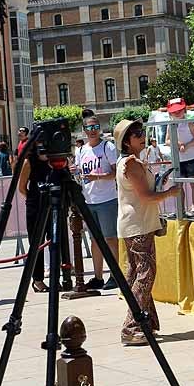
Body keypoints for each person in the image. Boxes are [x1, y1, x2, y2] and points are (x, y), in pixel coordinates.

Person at [113, 119, 181, 346]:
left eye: (141, 132)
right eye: (135, 134)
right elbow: (146, 197)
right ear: (126, 142)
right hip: (138, 225)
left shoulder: (131, 162)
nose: (141, 136)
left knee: (137, 273)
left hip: (135, 224)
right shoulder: (131, 163)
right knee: (145, 273)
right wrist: (170, 193)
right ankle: (131, 326)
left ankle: (146, 321)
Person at [75, 114, 120, 290]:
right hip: (89, 199)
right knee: (95, 240)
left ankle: (115, 274)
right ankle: (98, 276)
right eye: (89, 128)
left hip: (107, 199)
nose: (92, 131)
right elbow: (80, 172)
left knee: (110, 238)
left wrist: (98, 176)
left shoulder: (107, 147)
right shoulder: (81, 150)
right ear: (84, 130)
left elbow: (116, 172)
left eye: (95, 127)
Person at [17, 144, 59, 293]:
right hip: (35, 206)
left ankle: (56, 276)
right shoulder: (30, 162)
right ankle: (37, 279)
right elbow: (22, 187)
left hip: (53, 203)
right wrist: (33, 198)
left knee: (55, 240)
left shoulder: (55, 159)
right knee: (37, 242)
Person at [163, 97, 194, 216]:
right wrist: (177, 144)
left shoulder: (189, 123)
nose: (177, 112)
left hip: (192, 157)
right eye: (174, 111)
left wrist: (187, 145)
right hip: (178, 159)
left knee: (193, 183)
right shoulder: (171, 125)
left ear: (184, 110)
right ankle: (180, 209)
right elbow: (167, 140)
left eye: (179, 110)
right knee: (178, 185)